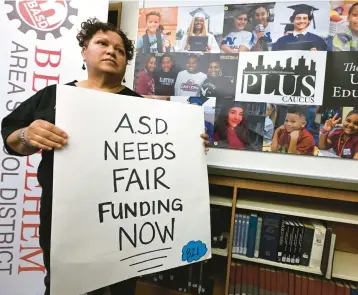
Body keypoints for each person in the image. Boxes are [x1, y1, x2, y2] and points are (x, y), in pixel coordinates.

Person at [1, 18, 210, 295]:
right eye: (102, 43)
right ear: (84, 50)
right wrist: (27, 135)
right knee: (64, 287)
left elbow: (164, 166)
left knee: (121, 287)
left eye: (120, 50)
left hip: (125, 223)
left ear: (126, 62)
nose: (111, 51)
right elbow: (11, 138)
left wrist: (189, 145)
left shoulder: (144, 109)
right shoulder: (54, 96)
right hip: (65, 221)